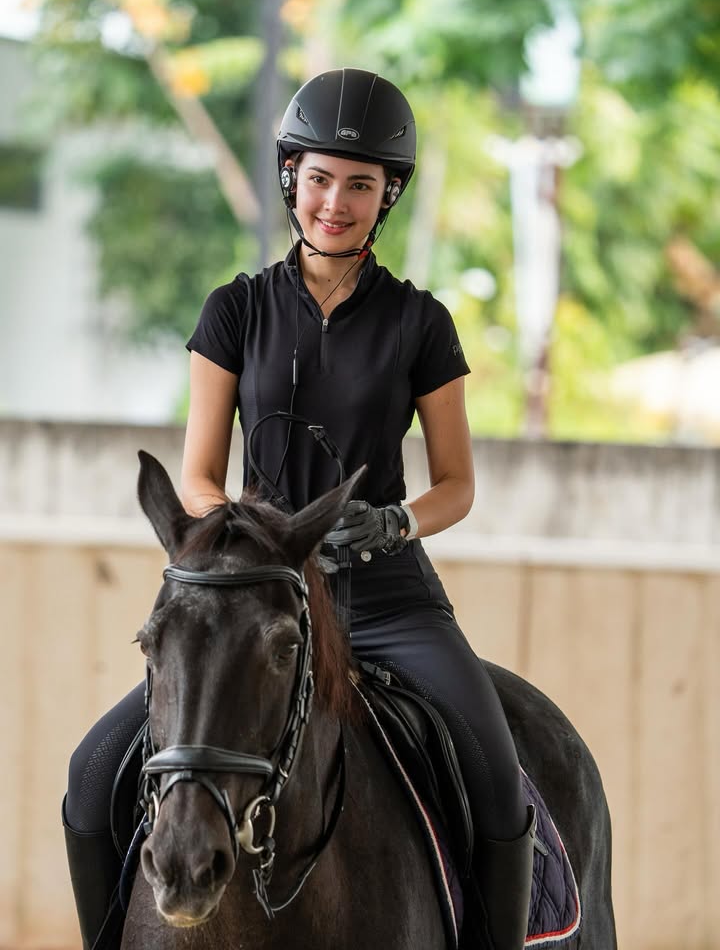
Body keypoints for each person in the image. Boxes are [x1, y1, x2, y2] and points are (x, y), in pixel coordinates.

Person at [63, 68, 535, 950]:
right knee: (92, 775)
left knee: (500, 779)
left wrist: (399, 522)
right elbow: (200, 476)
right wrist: (258, 536)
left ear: (387, 195)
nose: (336, 202)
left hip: (389, 602)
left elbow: (456, 484)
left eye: (361, 185)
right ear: (291, 179)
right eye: (320, 178)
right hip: (254, 601)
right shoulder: (234, 311)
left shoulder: (422, 324)